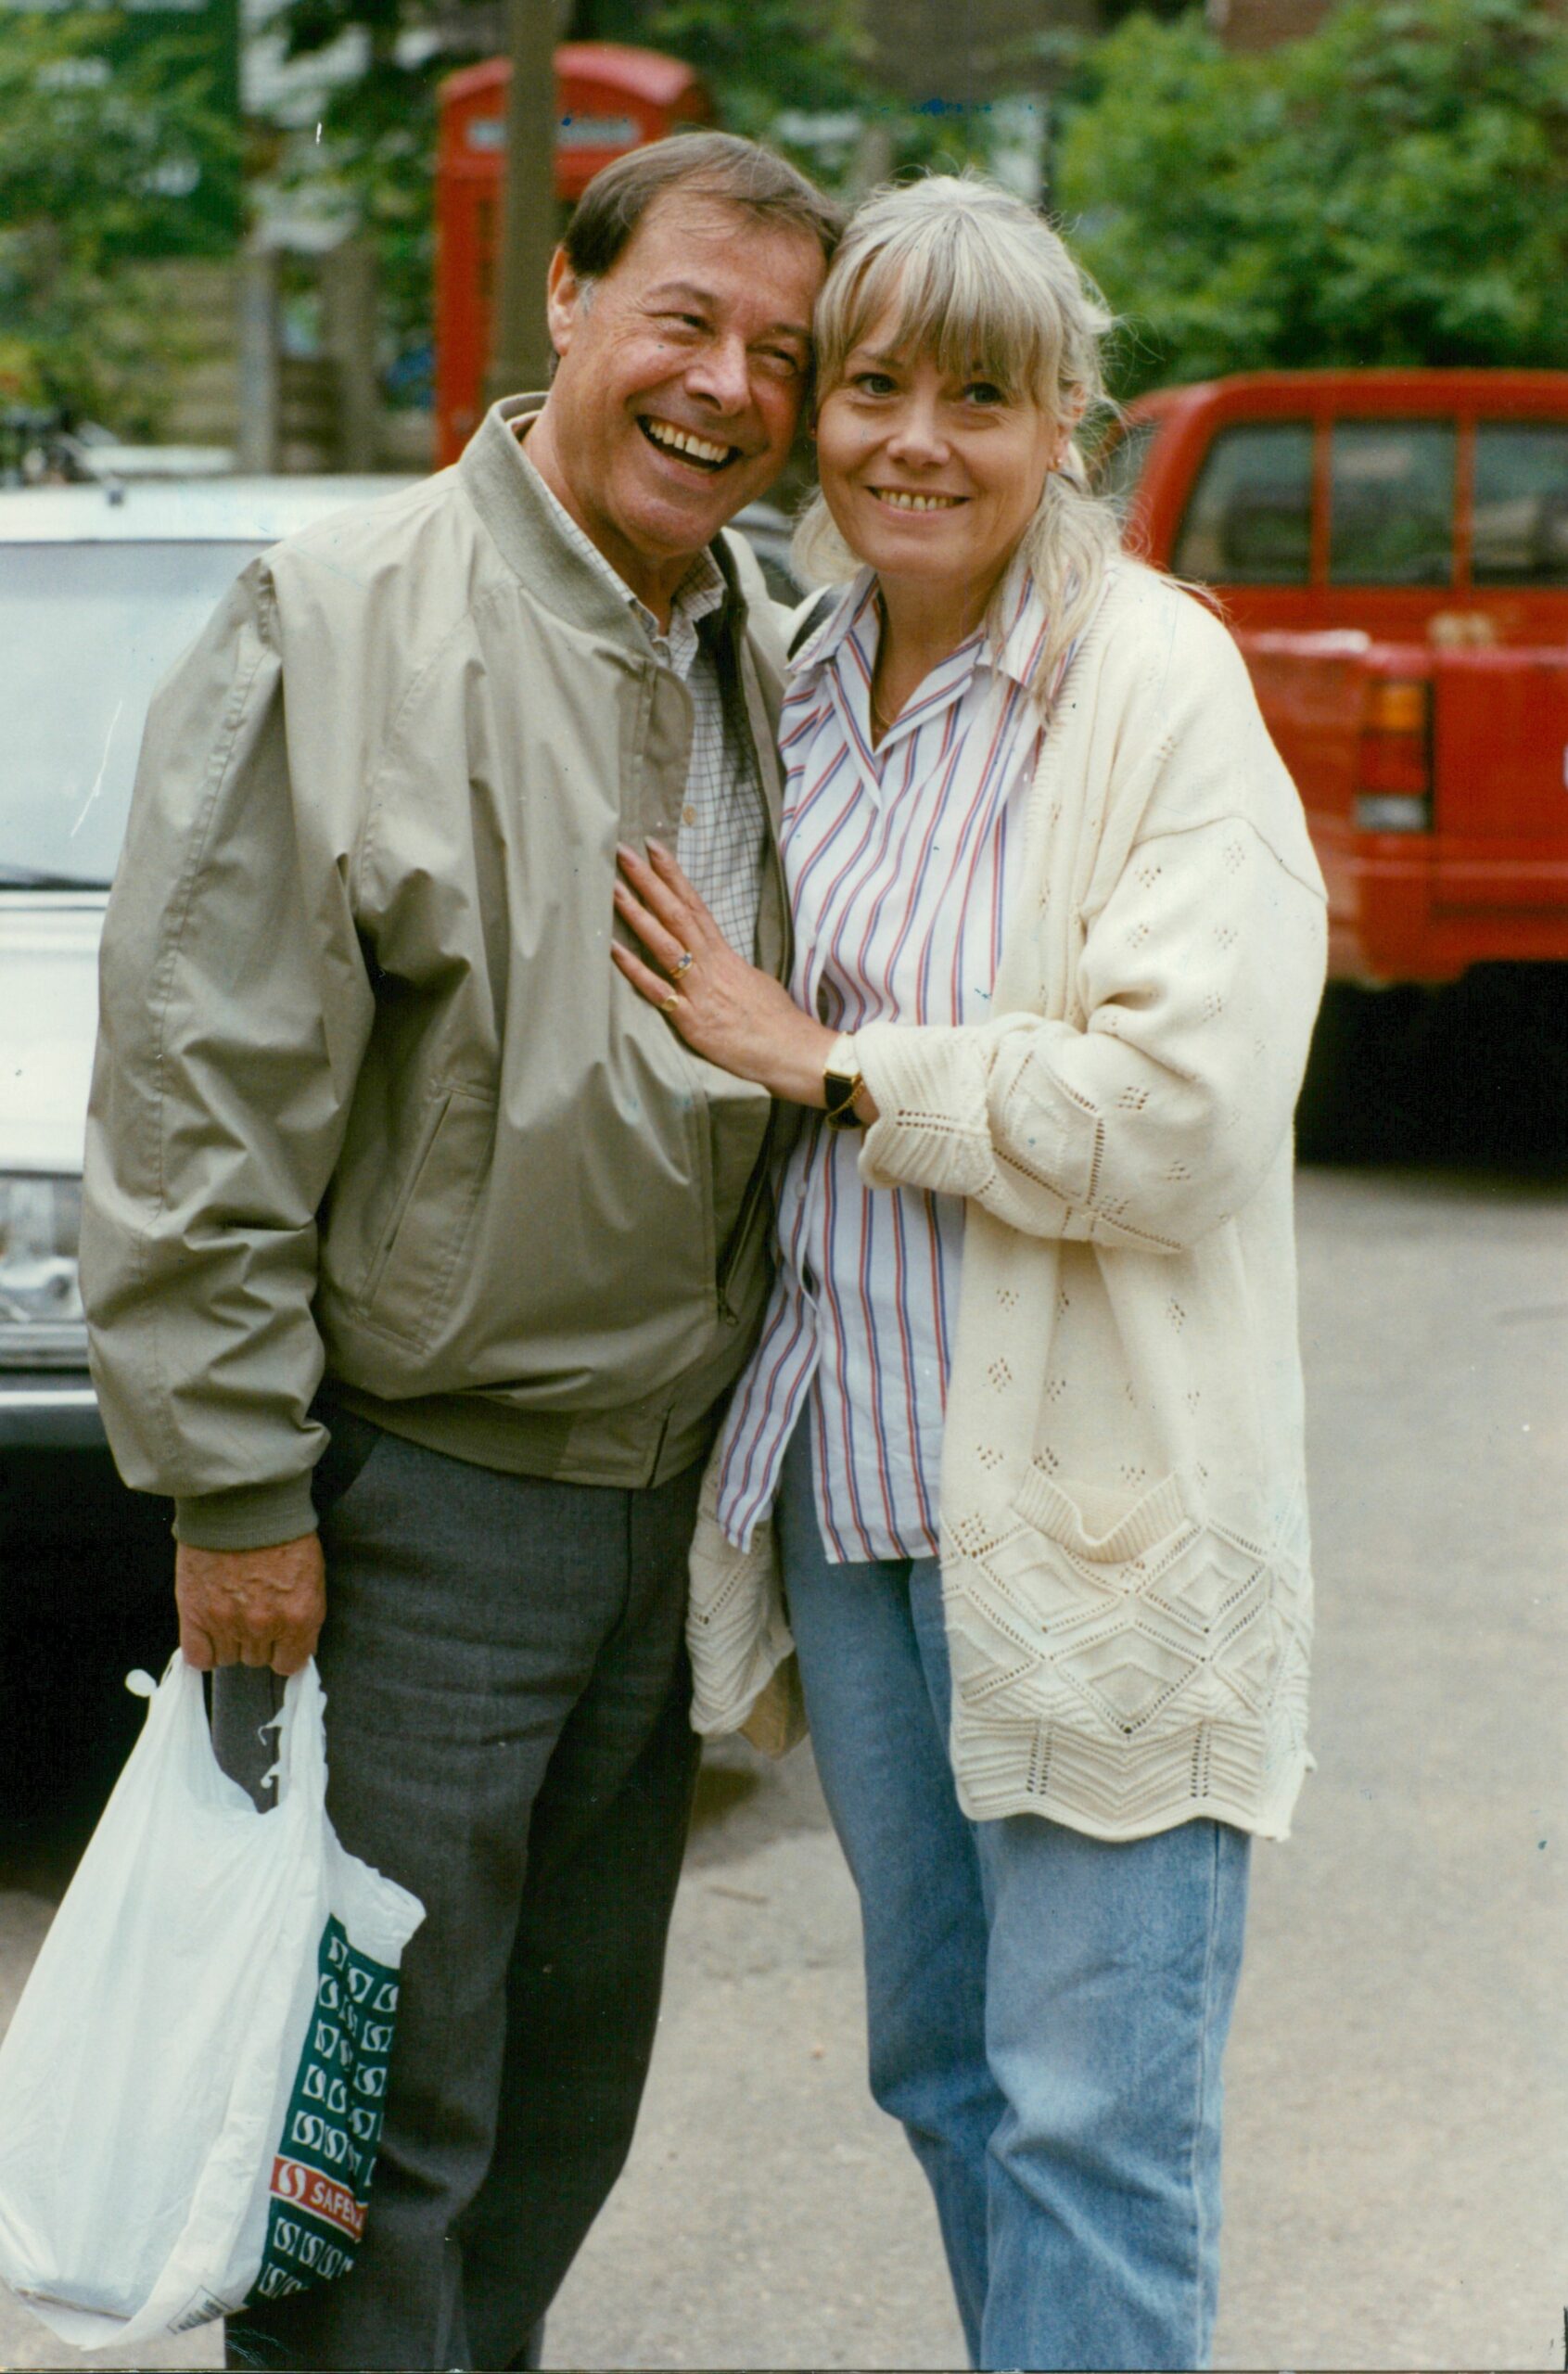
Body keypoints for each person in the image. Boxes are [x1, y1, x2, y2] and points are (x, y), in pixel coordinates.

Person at [79, 133, 839, 2371]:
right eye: (686, 319)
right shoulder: (344, 613)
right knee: (364, 2140)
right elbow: (198, 1083)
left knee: (557, 2115)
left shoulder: (768, 643)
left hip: (667, 1502)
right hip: (420, 1506)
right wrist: (235, 1490)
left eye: (780, 356)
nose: (725, 386)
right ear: (573, 308)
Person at [612, 173, 1328, 2373]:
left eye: (985, 397)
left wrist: (830, 1061)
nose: (917, 438)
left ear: (1066, 427)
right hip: (864, 1510)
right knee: (950, 2083)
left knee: (1099, 2120)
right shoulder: (798, 673)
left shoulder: (1155, 682)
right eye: (876, 385)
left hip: (1097, 1515)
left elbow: (1184, 1116)